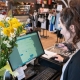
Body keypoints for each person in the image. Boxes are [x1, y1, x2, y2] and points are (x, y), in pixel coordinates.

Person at [52, 0, 80, 80]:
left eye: (62, 27)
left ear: (72, 28)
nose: (61, 31)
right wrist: (65, 60)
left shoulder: (76, 66)